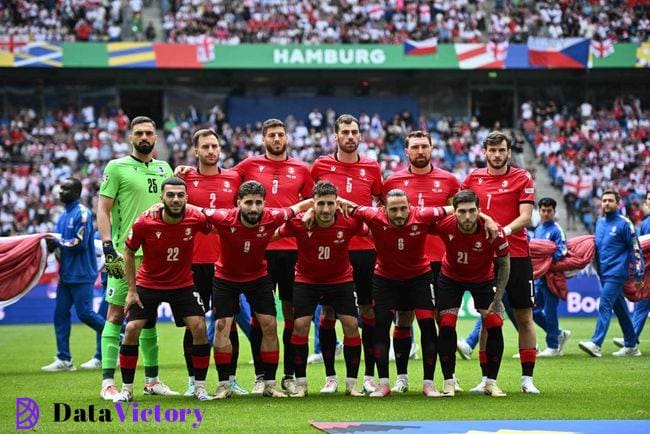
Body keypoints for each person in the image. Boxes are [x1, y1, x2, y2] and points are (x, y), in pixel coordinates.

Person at [203, 181, 313, 398]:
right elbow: (195, 210)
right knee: (222, 326)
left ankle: (270, 383)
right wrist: (157, 207)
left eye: (258, 203)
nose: (253, 208)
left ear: (264, 203)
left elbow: (303, 205)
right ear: (238, 203)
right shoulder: (224, 217)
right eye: (249, 203)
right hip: (225, 278)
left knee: (269, 325)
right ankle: (224, 384)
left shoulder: (273, 216)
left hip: (258, 277)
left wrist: (310, 211)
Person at [232, 119, 313, 394]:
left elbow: (313, 204)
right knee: (260, 317)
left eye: (280, 134)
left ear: (287, 138)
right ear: (263, 138)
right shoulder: (247, 166)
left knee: (292, 316)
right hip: (260, 251)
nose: (277, 139)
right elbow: (220, 182)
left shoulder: (302, 168)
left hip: (292, 251)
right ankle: (260, 376)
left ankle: (289, 375)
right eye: (272, 135)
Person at [97, 116, 175, 400]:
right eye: (139, 133)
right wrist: (107, 246)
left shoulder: (164, 167)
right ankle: (108, 382)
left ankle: (152, 380)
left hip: (157, 258)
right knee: (116, 314)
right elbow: (103, 209)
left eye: (149, 133)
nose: (145, 137)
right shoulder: (116, 167)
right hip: (124, 254)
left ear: (156, 137)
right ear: (130, 137)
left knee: (149, 318)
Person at [115, 177, 213, 402]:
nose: (176, 199)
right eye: (170, 195)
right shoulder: (144, 222)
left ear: (187, 198)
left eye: (180, 195)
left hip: (183, 283)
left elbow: (216, 229)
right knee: (131, 329)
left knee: (199, 326)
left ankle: (200, 387)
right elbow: (128, 252)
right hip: (149, 283)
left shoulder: (195, 218)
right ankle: (127, 389)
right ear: (162, 198)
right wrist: (131, 290)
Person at [343, 189, 448, 397]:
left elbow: (457, 208)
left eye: (403, 209)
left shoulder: (424, 214)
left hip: (420, 278)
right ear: (384, 209)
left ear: (410, 207)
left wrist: (485, 219)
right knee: (380, 328)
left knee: (427, 326)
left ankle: (429, 384)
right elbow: (342, 203)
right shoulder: (372, 215)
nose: (399, 214)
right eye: (393, 210)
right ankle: (383, 384)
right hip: (385, 280)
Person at [461, 131, 540, 394]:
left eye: (501, 150)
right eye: (492, 150)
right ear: (484, 152)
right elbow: (461, 207)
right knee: (488, 317)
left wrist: (501, 232)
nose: (497, 155)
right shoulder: (473, 178)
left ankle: (527, 378)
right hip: (484, 258)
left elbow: (526, 217)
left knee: (524, 316)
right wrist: (486, 221)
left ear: (508, 152)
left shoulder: (522, 177)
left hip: (517, 255)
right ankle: (486, 379)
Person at [382, 130, 461, 391]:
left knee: (442, 320)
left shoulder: (448, 180)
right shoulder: (393, 182)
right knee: (403, 318)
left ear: (431, 149)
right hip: (406, 262)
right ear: (406, 151)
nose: (420, 151)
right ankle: (402, 377)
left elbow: (460, 217)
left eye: (424, 146)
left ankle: (448, 378)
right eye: (414, 147)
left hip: (441, 261)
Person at [311, 114, 383, 394]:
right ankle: (330, 376)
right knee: (328, 312)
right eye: (345, 132)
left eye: (354, 132)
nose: (350, 136)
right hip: (331, 250)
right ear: (336, 136)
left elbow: (379, 206)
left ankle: (367, 375)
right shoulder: (320, 165)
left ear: (361, 136)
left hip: (365, 251)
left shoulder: (373, 167)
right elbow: (309, 201)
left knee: (367, 312)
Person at [278, 181, 365, 397]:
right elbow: (271, 234)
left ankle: (352, 383)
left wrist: (348, 204)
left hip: (340, 279)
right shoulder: (299, 223)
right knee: (300, 325)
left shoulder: (348, 222)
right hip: (307, 281)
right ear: (312, 204)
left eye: (330, 204)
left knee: (351, 325)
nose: (325, 210)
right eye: (320, 204)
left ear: (337, 204)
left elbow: (373, 226)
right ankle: (301, 384)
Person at [179, 129, 247, 396]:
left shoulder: (233, 178)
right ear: (196, 151)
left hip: (225, 263)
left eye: (214, 146)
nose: (211, 150)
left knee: (226, 324)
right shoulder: (183, 179)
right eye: (205, 146)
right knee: (193, 324)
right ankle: (193, 381)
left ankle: (228, 380)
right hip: (192, 263)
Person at [431, 190, 510, 397]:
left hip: (483, 279)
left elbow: (504, 262)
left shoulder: (494, 231)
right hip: (450, 278)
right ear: (454, 212)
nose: (467, 217)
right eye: (462, 211)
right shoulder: (444, 224)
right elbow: (420, 221)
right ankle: (449, 381)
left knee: (494, 323)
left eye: (472, 211)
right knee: (446, 324)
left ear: (479, 211)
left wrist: (499, 298)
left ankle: (490, 382)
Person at [42, 178, 106, 372]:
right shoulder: (63, 216)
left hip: (82, 274)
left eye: (66, 189)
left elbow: (78, 242)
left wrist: (58, 243)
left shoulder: (83, 214)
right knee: (60, 315)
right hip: (66, 275)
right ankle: (64, 359)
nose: (61, 192)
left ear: (77, 192)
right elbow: (59, 242)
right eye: (61, 188)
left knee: (85, 314)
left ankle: (116, 336)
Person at [579, 190, 645, 357]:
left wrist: (639, 274)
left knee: (604, 304)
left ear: (618, 203)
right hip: (603, 273)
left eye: (610, 200)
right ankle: (631, 345)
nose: (606, 203)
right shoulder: (600, 223)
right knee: (620, 309)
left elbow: (635, 249)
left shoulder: (625, 224)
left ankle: (596, 343)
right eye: (604, 200)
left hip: (617, 272)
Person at [532, 197, 571, 357]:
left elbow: (563, 251)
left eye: (549, 211)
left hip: (552, 278)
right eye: (543, 210)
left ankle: (553, 346)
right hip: (539, 278)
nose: (546, 213)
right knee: (533, 312)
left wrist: (547, 260)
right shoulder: (538, 229)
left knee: (550, 312)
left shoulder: (556, 230)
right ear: (539, 211)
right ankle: (559, 334)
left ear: (554, 212)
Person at [614, 191, 650, 348]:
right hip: (647, 273)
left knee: (642, 304)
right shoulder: (645, 223)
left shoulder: (646, 224)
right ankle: (631, 338)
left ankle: (630, 340)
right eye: (649, 199)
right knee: (642, 304)